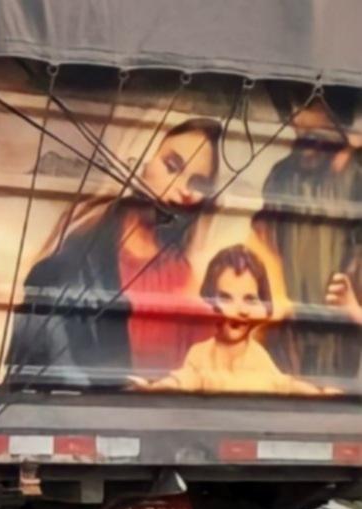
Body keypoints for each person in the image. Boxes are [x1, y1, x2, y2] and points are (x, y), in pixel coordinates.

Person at [5, 118, 222, 379]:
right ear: (140, 159)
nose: (183, 190)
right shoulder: (79, 252)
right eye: (172, 166)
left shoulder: (183, 274)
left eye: (198, 183)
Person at [253, 89, 362, 379]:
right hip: (290, 333)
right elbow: (265, 239)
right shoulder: (282, 176)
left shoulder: (355, 178)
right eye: (302, 137)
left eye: (318, 137)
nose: (308, 147)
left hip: (338, 336)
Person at [144, 245, 333, 396]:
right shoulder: (200, 354)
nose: (239, 310)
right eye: (226, 298)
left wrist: (320, 393)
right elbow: (183, 380)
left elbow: (284, 384)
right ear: (210, 301)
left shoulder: (259, 358)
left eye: (250, 299)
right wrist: (157, 387)